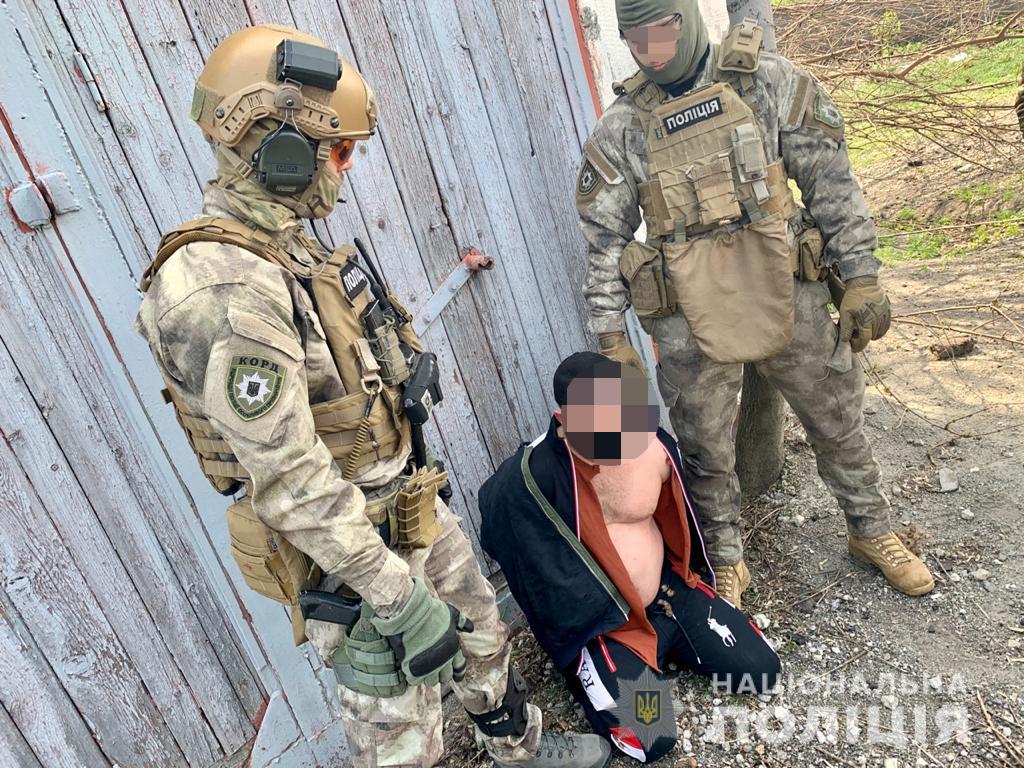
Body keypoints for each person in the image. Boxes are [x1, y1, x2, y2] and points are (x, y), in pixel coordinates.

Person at [134, 24, 608, 768]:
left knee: (481, 632)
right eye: (341, 151)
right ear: (280, 148)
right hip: (348, 553)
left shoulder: (289, 245)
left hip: (405, 504)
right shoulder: (222, 288)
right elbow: (289, 478)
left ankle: (518, 748)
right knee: (398, 728)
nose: (346, 171)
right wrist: (395, 595)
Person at [574, 0, 935, 608]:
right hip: (690, 315)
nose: (650, 51)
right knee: (705, 449)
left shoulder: (768, 81)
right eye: (634, 39)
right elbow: (604, 241)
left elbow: (831, 182)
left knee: (837, 418)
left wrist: (861, 276)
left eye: (662, 31)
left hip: (787, 290)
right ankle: (727, 560)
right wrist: (610, 336)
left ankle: (871, 529)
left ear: (688, 19)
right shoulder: (624, 128)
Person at [480, 353, 780, 762]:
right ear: (563, 420)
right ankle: (615, 668)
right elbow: (495, 515)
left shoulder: (650, 445)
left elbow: (687, 510)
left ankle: (668, 644)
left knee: (761, 670)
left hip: (668, 594)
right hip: (610, 625)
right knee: (652, 735)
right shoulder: (534, 478)